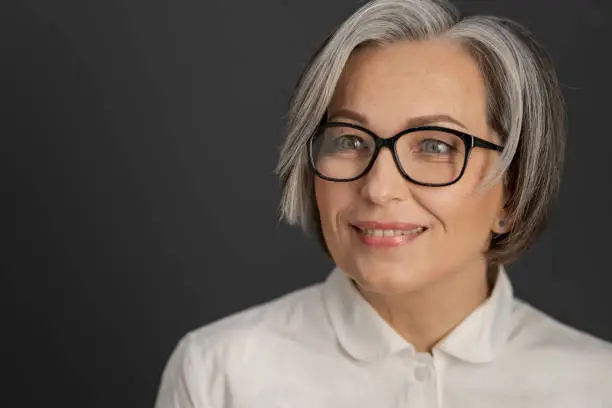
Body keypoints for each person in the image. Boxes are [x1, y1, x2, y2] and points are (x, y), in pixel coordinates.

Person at [154, 0, 612, 406]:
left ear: (511, 190)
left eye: (435, 146)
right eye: (351, 139)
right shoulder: (219, 373)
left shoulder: (597, 385)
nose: (378, 187)